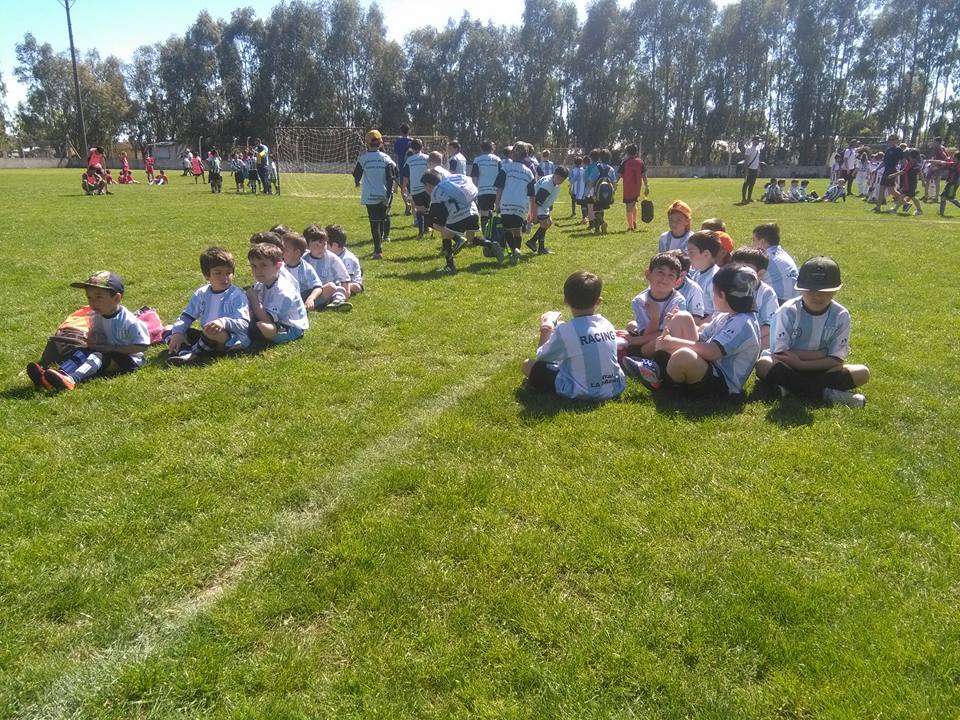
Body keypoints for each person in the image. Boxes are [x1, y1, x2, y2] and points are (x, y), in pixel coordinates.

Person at [623, 264, 760, 399]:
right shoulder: (726, 316)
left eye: (714, 291)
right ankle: (655, 367)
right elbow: (701, 336)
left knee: (684, 355)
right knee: (682, 317)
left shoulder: (743, 323)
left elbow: (713, 352)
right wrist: (676, 321)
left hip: (721, 383)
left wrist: (671, 342)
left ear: (722, 295)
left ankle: (660, 379)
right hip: (706, 366)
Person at [755, 256, 870, 408]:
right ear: (800, 289)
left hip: (821, 368)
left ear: (836, 290)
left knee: (863, 372)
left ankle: (790, 388)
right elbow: (781, 354)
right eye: (811, 290)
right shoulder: (787, 311)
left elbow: (836, 360)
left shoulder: (841, 315)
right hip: (788, 366)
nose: (817, 296)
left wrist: (801, 363)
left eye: (825, 291)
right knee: (763, 364)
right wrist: (821, 354)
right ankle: (828, 394)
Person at [27, 272, 150, 391]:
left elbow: (142, 346)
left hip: (127, 359)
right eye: (89, 297)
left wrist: (112, 348)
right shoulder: (96, 315)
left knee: (97, 357)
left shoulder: (129, 321)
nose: (92, 302)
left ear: (116, 298)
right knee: (81, 352)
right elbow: (93, 334)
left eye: (99, 297)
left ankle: (72, 380)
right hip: (105, 351)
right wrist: (91, 340)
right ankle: (54, 376)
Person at [521, 270, 626, 400]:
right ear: (599, 301)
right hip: (615, 387)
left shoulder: (566, 331)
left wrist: (546, 328)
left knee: (528, 365)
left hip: (582, 391)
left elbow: (542, 358)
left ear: (566, 301)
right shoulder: (606, 323)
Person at [164, 247, 251, 365]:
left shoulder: (237, 295)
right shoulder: (202, 293)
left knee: (212, 332)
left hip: (229, 339)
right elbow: (186, 317)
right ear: (206, 275)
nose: (225, 278)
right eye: (218, 273)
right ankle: (187, 352)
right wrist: (178, 333)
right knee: (169, 329)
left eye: (228, 273)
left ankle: (190, 353)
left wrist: (223, 322)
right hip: (206, 336)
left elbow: (244, 325)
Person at [422, 169, 491, 273]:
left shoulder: (436, 192)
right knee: (470, 239)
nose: (425, 189)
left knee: (446, 234)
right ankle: (489, 244)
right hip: (473, 213)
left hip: (458, 218)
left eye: (424, 186)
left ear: (428, 185)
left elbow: (436, 216)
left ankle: (450, 266)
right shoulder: (452, 183)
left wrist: (427, 216)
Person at [620, 252, 686, 358]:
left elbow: (666, 333)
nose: (664, 278)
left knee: (659, 341)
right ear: (648, 274)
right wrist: (655, 319)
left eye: (671, 275)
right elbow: (645, 334)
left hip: (670, 341)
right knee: (631, 326)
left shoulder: (678, 301)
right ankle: (635, 354)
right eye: (660, 272)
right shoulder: (639, 301)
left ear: (677, 282)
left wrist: (634, 340)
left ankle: (639, 356)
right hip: (648, 337)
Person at [245, 243, 309, 344]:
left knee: (263, 326)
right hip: (273, 319)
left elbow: (267, 319)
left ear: (278, 266)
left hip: (290, 327)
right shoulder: (263, 283)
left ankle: (249, 333)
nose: (258, 270)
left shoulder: (283, 290)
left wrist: (253, 298)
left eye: (263, 265)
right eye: (254, 266)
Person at [352, 129, 398, 260]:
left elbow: (356, 174)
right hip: (384, 195)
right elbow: (392, 175)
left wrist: (357, 182)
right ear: (380, 143)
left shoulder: (363, 159)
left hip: (370, 196)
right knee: (382, 219)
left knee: (374, 223)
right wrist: (388, 195)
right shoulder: (386, 159)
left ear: (367, 143)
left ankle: (378, 250)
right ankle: (383, 239)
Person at [494, 144, 537, 264]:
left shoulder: (506, 168)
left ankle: (514, 250)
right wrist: (531, 211)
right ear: (525, 156)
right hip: (521, 205)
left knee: (507, 229)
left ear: (512, 154)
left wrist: (497, 204)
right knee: (517, 230)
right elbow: (532, 195)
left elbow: (499, 188)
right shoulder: (529, 172)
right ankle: (516, 251)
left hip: (507, 202)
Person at [730, 247, 777, 348]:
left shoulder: (766, 293)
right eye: (735, 269)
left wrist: (745, 337)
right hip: (728, 332)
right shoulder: (729, 288)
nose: (738, 274)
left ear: (760, 274)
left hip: (754, 336)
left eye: (745, 270)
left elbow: (769, 326)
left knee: (769, 339)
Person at [301, 225, 351, 309]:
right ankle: (307, 305)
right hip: (310, 291)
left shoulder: (332, 259)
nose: (321, 248)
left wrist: (347, 293)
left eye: (324, 244)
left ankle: (337, 302)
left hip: (326, 290)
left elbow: (344, 277)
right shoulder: (304, 260)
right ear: (307, 245)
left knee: (335, 288)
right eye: (317, 245)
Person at [526, 166, 569, 256]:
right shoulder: (547, 185)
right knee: (545, 224)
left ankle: (535, 243)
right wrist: (533, 215)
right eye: (558, 178)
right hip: (536, 205)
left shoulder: (552, 181)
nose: (559, 181)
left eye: (562, 179)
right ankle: (536, 245)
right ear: (555, 174)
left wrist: (550, 205)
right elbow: (537, 201)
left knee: (548, 223)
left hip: (542, 206)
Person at [751, 223, 797, 304]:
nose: (752, 244)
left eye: (754, 240)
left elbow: (750, 282)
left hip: (777, 301)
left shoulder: (763, 258)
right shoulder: (784, 254)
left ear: (762, 242)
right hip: (795, 300)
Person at [280, 232, 325, 310]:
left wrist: (311, 298)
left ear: (297, 253)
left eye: (285, 250)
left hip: (303, 295)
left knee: (330, 287)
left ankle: (305, 306)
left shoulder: (305, 268)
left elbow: (317, 286)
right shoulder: (280, 266)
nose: (281, 252)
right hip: (285, 296)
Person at [687, 231, 722, 320]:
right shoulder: (697, 273)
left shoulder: (715, 279)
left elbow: (719, 312)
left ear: (706, 254)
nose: (688, 256)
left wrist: (698, 326)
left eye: (691, 252)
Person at [470, 140, 501, 235]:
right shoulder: (497, 159)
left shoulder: (477, 160)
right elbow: (501, 175)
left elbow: (474, 176)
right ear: (492, 149)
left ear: (481, 149)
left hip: (482, 190)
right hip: (495, 191)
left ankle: (485, 234)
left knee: (484, 212)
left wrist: (474, 190)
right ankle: (492, 232)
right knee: (493, 211)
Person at [402, 138, 430, 239]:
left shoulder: (409, 160)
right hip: (427, 188)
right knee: (427, 209)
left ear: (411, 148)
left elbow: (405, 176)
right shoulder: (427, 158)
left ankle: (421, 232)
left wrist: (403, 187)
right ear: (422, 147)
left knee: (419, 210)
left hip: (415, 189)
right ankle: (427, 227)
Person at [326, 224, 364, 298]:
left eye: (325, 244)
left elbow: (346, 281)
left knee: (354, 286)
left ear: (335, 245)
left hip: (351, 282)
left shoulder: (348, 259)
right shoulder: (330, 255)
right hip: (335, 281)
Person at [668, 249, 706, 322]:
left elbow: (696, 319)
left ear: (686, 273)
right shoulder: (660, 284)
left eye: (680, 276)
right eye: (671, 275)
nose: (675, 279)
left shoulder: (693, 289)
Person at [619, 144, 649, 231]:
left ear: (627, 153)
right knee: (634, 204)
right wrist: (647, 186)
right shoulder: (640, 162)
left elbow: (619, 175)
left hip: (628, 187)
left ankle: (630, 226)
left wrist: (614, 185)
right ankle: (634, 221)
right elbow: (644, 175)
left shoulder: (625, 163)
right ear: (636, 152)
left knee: (629, 206)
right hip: (637, 187)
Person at [873, 134, 906, 213]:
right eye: (890, 139)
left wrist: (902, 170)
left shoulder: (898, 149)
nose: (891, 141)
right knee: (891, 191)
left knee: (883, 189)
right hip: (886, 171)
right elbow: (884, 162)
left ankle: (878, 207)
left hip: (891, 171)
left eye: (892, 139)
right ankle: (906, 203)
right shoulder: (888, 150)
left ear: (896, 140)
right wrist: (876, 169)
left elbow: (904, 160)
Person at [587, 148, 616, 234]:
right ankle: (598, 229)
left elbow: (591, 181)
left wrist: (590, 192)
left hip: (596, 193)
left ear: (599, 158)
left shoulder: (597, 168)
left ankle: (602, 223)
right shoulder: (611, 169)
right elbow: (614, 182)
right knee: (601, 209)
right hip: (607, 194)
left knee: (595, 210)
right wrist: (612, 193)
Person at [886, 148, 922, 215]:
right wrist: (923, 181)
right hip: (911, 183)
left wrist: (892, 175)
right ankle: (895, 209)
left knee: (912, 197)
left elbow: (903, 171)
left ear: (910, 156)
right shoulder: (916, 164)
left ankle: (919, 210)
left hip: (909, 184)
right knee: (903, 196)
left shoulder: (910, 163)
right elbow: (920, 173)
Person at [929, 148, 960, 216]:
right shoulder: (954, 164)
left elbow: (943, 162)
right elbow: (942, 162)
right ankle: (941, 213)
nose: (953, 158)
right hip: (950, 184)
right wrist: (932, 161)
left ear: (957, 159)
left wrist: (932, 161)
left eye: (954, 157)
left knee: (948, 198)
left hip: (953, 184)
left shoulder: (957, 165)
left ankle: (941, 213)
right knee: (947, 198)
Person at [393, 124, 413, 213]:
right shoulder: (412, 141)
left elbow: (396, 153)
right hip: (412, 167)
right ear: (409, 131)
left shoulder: (398, 141)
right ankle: (412, 204)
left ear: (401, 131)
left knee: (403, 187)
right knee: (411, 187)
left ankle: (407, 204)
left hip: (402, 167)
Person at [740, 135, 763, 203]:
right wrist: (746, 170)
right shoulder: (749, 148)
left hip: (755, 169)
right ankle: (743, 198)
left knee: (752, 184)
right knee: (746, 184)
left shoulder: (758, 148)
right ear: (754, 141)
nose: (759, 142)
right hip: (749, 169)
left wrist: (758, 168)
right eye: (758, 140)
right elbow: (746, 160)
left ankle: (749, 198)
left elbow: (758, 159)